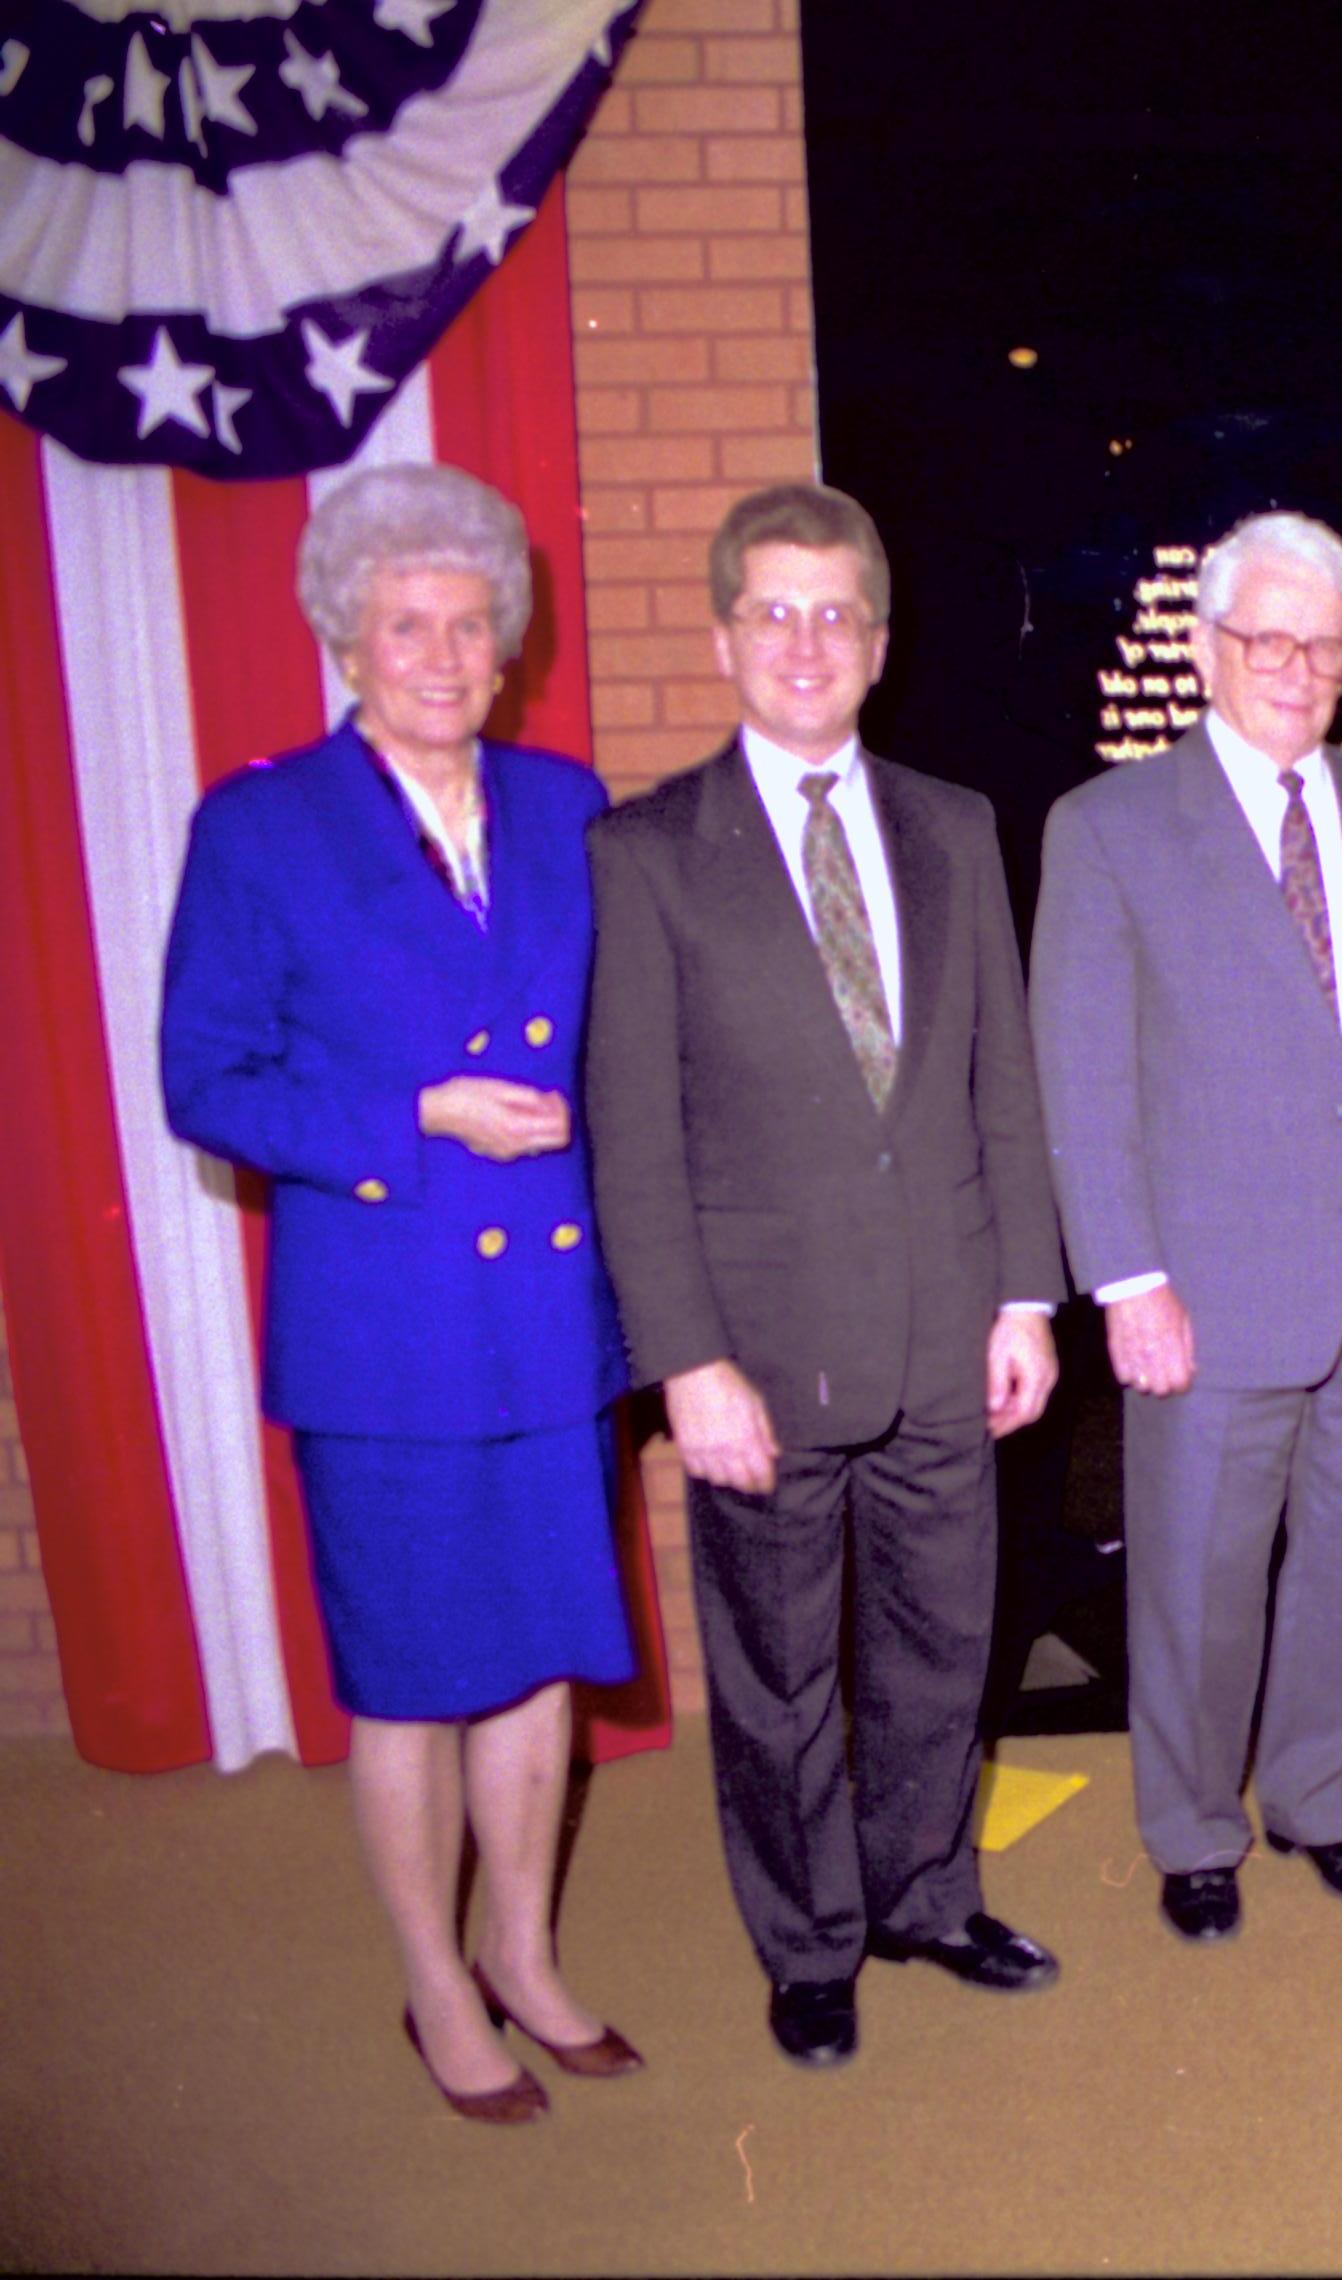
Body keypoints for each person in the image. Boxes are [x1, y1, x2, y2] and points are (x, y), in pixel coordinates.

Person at [160, 464, 642, 2124]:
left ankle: (522, 1950)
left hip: (552, 1324)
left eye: (471, 623)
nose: (445, 653)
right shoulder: (265, 823)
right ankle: (434, 1986)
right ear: (346, 641)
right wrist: (410, 1121)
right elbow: (205, 1078)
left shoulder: (572, 804)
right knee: (411, 1674)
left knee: (538, 1662)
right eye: (406, 625)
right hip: (386, 1328)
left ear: (508, 644)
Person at [585, 484, 1063, 2068]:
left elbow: (1003, 1081)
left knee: (943, 1643)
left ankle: (925, 1892)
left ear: (878, 639)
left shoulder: (953, 825)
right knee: (782, 1674)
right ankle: (808, 1945)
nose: (806, 643)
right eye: (773, 612)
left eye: (835, 613)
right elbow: (635, 1140)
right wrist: (686, 1363)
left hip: (946, 1331)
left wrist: (1027, 1296)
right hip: (761, 1363)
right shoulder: (644, 856)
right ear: (726, 635)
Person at [1028, 511, 1342, 1943]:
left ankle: (1321, 1796)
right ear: (1206, 646)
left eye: (1324, 642)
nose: (1297, 666)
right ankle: (1189, 1827)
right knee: (1197, 1575)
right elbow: (1084, 1071)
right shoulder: (1109, 827)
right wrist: (1125, 1276)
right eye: (1266, 637)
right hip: (1210, 1286)